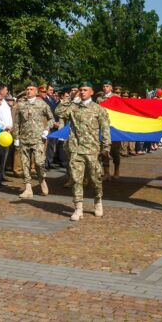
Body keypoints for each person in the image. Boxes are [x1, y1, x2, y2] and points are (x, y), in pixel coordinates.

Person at [56, 82, 110, 221]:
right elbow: (58, 112)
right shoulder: (73, 108)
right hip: (76, 149)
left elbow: (105, 130)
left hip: (92, 150)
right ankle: (78, 208)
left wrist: (106, 147)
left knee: (95, 179)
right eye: (81, 90)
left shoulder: (99, 109)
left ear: (92, 92)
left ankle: (98, 201)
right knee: (76, 179)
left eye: (85, 90)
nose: (82, 92)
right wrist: (70, 99)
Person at [13, 83, 54, 199]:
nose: (29, 91)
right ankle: (28, 188)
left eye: (31, 89)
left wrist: (47, 130)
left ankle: (42, 180)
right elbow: (16, 123)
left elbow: (51, 118)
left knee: (39, 162)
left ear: (36, 92)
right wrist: (16, 137)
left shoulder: (42, 104)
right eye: (27, 89)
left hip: (38, 139)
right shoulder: (21, 105)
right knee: (25, 164)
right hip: (24, 139)